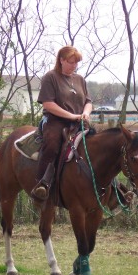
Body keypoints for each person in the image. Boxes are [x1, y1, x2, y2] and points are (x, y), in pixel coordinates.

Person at [32, 46, 92, 200]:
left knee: (100, 143)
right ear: (61, 60)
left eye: (76, 63)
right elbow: (48, 104)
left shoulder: (80, 80)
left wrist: (85, 113)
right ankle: (42, 184)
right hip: (56, 121)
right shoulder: (50, 77)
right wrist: (71, 116)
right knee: (52, 144)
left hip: (79, 121)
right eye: (71, 62)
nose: (74, 66)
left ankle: (115, 188)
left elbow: (88, 102)